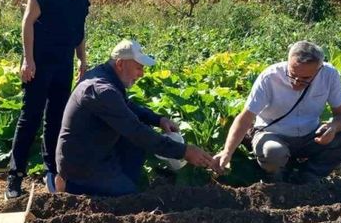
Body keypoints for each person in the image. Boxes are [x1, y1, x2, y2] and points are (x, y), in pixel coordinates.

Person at [55, 39, 221, 196]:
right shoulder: (102, 90)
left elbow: (126, 106)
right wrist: (184, 151)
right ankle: (71, 187)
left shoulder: (104, 76)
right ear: (120, 64)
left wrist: (158, 120)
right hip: (81, 165)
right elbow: (136, 131)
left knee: (137, 146)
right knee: (127, 197)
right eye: (138, 68)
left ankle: (118, 180)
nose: (141, 74)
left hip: (93, 150)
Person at [5, 0, 102, 199]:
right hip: (40, 63)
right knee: (30, 118)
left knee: (56, 120)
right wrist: (28, 60)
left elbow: (79, 29)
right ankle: (15, 178)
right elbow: (28, 22)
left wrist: (82, 59)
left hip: (63, 63)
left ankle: (52, 172)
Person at [213, 41, 341, 184]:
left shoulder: (329, 75)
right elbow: (245, 118)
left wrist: (333, 127)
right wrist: (227, 152)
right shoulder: (270, 77)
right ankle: (276, 180)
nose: (296, 82)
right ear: (288, 62)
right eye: (292, 74)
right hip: (272, 134)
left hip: (310, 136)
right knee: (273, 152)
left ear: (319, 69)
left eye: (305, 79)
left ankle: (309, 175)